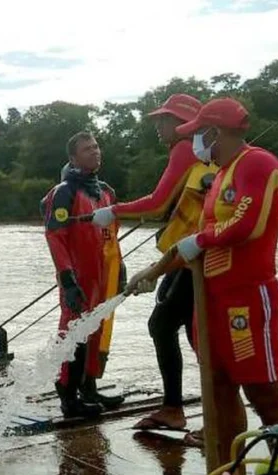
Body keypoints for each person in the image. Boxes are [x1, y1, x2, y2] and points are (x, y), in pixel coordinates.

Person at [125, 97, 278, 460]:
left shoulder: (258, 163)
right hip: (212, 297)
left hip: (247, 297)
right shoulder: (219, 176)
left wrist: (197, 240)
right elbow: (194, 247)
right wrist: (153, 273)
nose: (195, 143)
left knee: (264, 393)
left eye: (199, 134)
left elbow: (248, 225)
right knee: (218, 388)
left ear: (215, 131)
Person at [89, 94, 219, 433]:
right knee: (175, 327)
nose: (158, 126)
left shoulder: (183, 149)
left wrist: (113, 211)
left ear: (182, 123)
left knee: (182, 330)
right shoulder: (197, 153)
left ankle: (199, 415)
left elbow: (158, 203)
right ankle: (183, 409)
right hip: (189, 255)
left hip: (198, 257)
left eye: (164, 120)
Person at [41, 132, 126, 418]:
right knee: (74, 333)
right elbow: (55, 236)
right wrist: (67, 279)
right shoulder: (64, 192)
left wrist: (120, 268)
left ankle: (89, 387)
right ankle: (68, 394)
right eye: (87, 149)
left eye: (96, 147)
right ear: (73, 158)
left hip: (104, 274)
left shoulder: (107, 192)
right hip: (78, 275)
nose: (95, 152)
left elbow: (113, 234)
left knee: (97, 332)